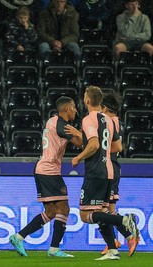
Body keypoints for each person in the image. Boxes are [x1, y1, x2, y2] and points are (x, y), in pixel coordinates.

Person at [70, 86, 139, 260]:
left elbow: (93, 144)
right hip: (109, 170)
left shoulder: (88, 119)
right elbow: (118, 147)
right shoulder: (108, 120)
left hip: (95, 172)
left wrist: (78, 157)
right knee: (102, 211)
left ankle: (123, 220)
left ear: (87, 100)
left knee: (85, 215)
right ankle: (112, 250)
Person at [9, 96, 83, 258]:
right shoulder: (62, 125)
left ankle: (18, 237)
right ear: (66, 109)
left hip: (43, 169)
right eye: (73, 108)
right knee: (64, 208)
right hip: (49, 170)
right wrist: (82, 133)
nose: (75, 111)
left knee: (50, 212)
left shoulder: (52, 121)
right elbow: (81, 143)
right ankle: (54, 249)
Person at [99, 92, 139, 257]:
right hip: (111, 167)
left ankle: (125, 236)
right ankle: (118, 240)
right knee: (107, 209)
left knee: (101, 210)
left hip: (109, 168)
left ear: (105, 108)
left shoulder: (109, 122)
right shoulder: (115, 121)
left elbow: (116, 147)